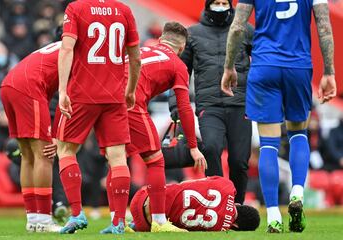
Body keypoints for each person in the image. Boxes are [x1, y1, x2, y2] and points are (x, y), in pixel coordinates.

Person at [221, 0, 336, 233]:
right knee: (298, 133)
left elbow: (236, 27)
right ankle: (297, 192)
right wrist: (329, 71)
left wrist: (229, 66)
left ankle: (273, 216)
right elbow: (324, 27)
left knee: (268, 145)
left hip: (264, 67)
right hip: (298, 67)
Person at [100, 22, 207, 234]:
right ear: (183, 47)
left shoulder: (145, 46)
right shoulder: (178, 65)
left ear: (160, 40)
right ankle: (159, 221)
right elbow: (184, 108)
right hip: (130, 103)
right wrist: (193, 146)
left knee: (117, 160)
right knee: (155, 160)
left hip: (104, 98)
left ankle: (117, 223)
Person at [57, 0, 141, 234]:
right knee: (117, 158)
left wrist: (63, 90)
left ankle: (76, 214)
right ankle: (118, 222)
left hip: (82, 94)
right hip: (114, 96)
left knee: (65, 150)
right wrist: (131, 89)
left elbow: (66, 48)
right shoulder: (123, 10)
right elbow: (135, 56)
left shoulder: (76, 8)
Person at [169, 0, 253, 204]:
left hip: (240, 103)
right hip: (209, 106)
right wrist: (176, 105)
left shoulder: (246, 30)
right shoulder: (193, 34)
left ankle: (237, 207)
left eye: (224, 2)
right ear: (208, 5)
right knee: (211, 149)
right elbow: (179, 73)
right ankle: (221, 203)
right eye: (216, 2)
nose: (220, 6)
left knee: (239, 161)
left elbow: (262, 62)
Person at [0, 40, 63, 233]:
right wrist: (59, 135)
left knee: (27, 156)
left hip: (9, 84)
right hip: (29, 86)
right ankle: (44, 220)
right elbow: (70, 97)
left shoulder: (62, 44)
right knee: (44, 154)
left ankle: (34, 219)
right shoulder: (80, 51)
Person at [130, 176, 260, 232]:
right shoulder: (219, 229)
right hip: (145, 224)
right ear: (236, 226)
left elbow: (191, 182)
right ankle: (132, 225)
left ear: (238, 204)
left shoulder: (228, 185)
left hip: (143, 196)